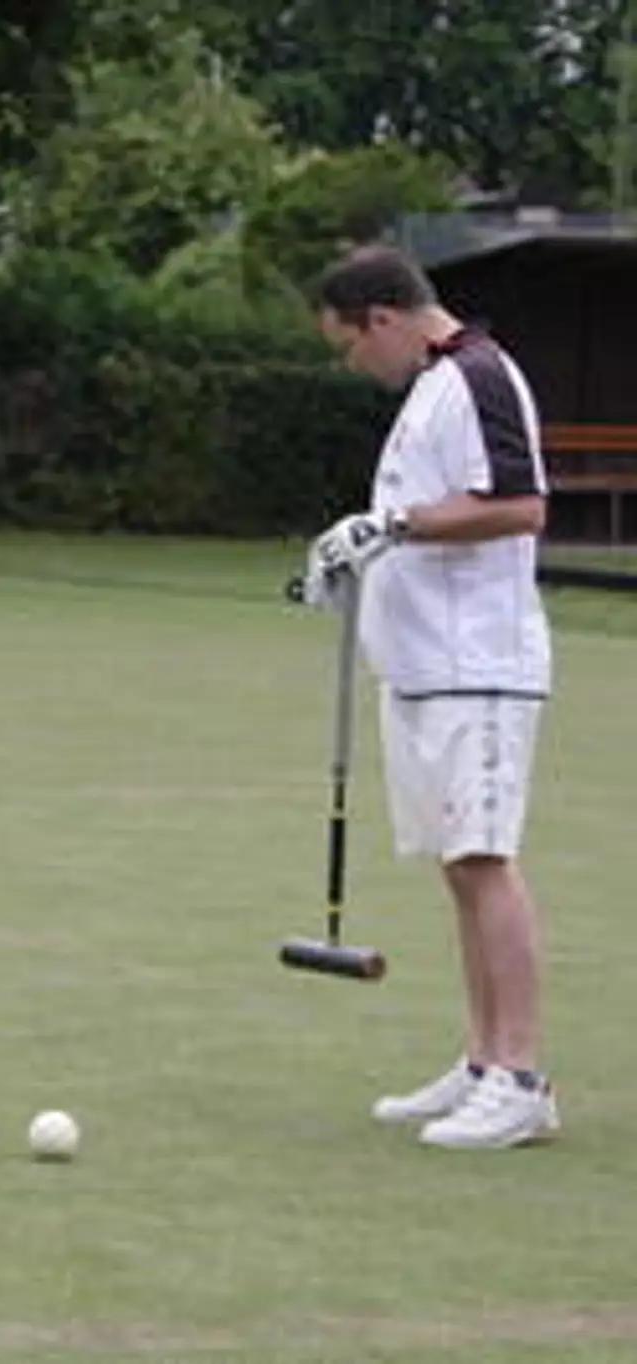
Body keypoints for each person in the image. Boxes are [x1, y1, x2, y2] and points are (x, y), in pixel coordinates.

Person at [302, 243, 557, 1150]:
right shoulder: (432, 389)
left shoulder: (481, 376)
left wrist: (394, 523)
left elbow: (520, 506)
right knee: (460, 865)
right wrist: (358, 553)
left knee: (485, 859)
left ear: (383, 318)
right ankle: (484, 1060)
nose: (352, 365)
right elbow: (418, 520)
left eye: (348, 346)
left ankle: (523, 1076)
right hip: (421, 670)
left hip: (478, 666)